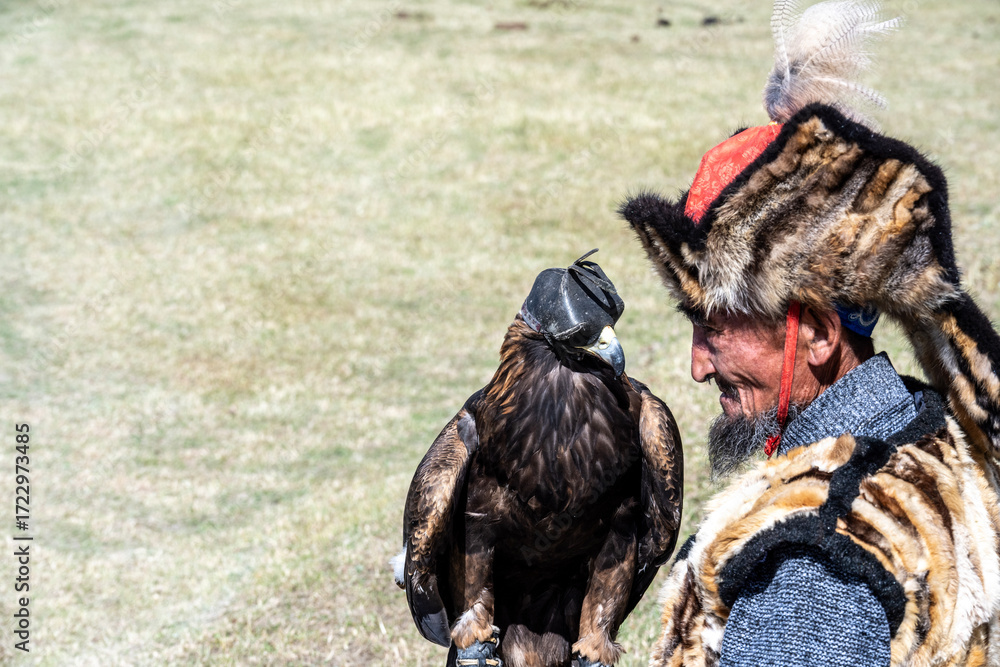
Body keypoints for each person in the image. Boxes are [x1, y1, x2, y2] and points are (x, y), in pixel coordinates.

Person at [619, 1, 1000, 665]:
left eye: (715, 329)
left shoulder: (810, 572)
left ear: (820, 334)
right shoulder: (925, 427)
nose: (697, 366)